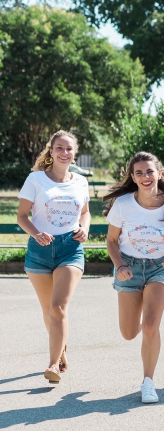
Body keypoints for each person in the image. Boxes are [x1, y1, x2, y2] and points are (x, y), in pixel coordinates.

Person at [104, 152, 164, 404]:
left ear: (159, 173)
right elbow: (111, 241)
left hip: (159, 267)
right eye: (139, 173)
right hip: (128, 266)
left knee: (152, 325)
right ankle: (143, 325)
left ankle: (148, 382)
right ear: (133, 177)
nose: (145, 177)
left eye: (149, 171)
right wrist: (119, 265)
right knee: (129, 332)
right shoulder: (123, 204)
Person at [17, 131, 91, 385]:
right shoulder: (35, 179)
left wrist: (85, 228)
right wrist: (37, 234)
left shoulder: (80, 182)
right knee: (49, 311)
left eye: (69, 149)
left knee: (59, 307)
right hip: (39, 250)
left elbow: (86, 213)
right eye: (59, 148)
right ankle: (61, 349)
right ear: (51, 151)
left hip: (70, 247)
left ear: (74, 153)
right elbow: (22, 216)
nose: (64, 153)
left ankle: (52, 365)